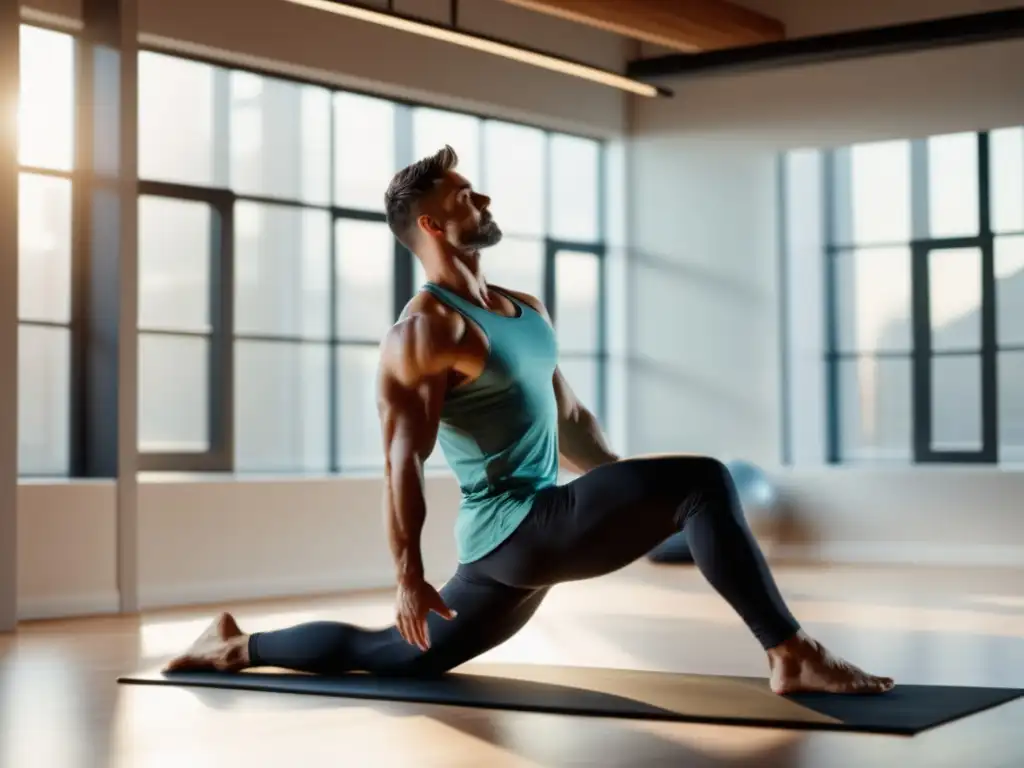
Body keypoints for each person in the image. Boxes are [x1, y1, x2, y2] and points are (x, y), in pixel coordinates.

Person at [166, 146, 893, 696]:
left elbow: (570, 415)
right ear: (430, 223)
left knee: (391, 657)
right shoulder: (424, 333)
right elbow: (402, 461)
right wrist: (408, 576)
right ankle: (790, 653)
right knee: (703, 479)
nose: (481, 196)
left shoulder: (525, 309)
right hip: (515, 530)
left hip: (528, 537)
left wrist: (629, 494)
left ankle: (235, 645)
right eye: (462, 193)